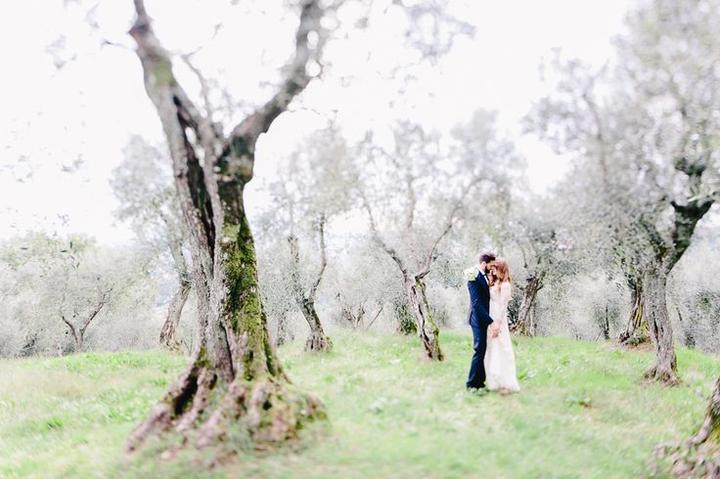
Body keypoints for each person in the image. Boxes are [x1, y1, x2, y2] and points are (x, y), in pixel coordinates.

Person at [484, 258, 520, 393]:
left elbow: (503, 306)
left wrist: (497, 323)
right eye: (492, 267)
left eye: (495, 267)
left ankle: (506, 382)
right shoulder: (494, 282)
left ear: (501, 269)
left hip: (498, 318)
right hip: (490, 317)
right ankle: (494, 380)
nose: (492, 270)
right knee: (492, 347)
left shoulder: (505, 285)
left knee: (502, 347)